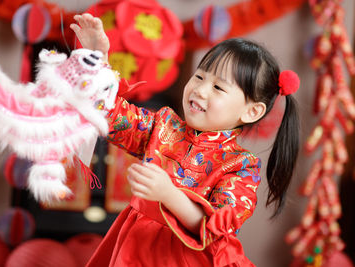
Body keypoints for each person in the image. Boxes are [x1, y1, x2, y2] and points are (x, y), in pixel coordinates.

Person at [70, 13, 300, 267]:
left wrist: (169, 195)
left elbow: (215, 229)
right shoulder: (163, 126)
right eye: (200, 76)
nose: (200, 90)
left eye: (218, 87)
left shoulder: (241, 166)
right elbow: (111, 113)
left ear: (251, 111)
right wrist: (96, 60)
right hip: (135, 250)